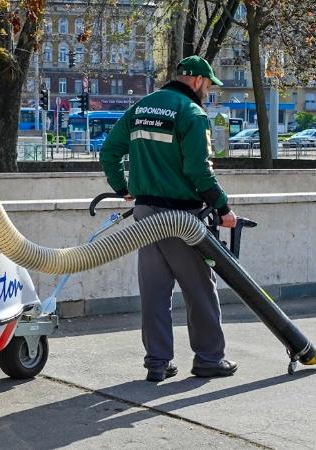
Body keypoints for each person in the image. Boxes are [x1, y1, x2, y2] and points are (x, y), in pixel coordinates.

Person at [100, 55, 238, 382]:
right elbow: (197, 170)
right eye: (208, 84)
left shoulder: (142, 107)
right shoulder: (191, 113)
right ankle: (208, 359)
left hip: (145, 216)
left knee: (155, 293)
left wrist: (124, 189)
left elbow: (109, 153)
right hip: (181, 218)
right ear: (197, 81)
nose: (207, 90)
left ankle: (157, 363)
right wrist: (222, 208)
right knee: (200, 290)